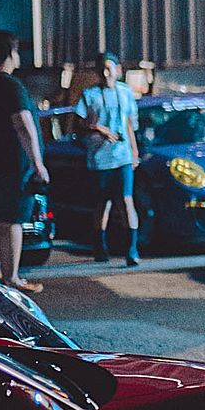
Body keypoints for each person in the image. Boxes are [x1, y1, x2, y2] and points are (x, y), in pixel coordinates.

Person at [0, 30, 50, 294]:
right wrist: (37, 164)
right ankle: (12, 277)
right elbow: (23, 124)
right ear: (10, 53)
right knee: (13, 221)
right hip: (13, 166)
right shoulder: (11, 86)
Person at [76, 52, 141, 265]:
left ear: (117, 70)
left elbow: (129, 123)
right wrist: (97, 128)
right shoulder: (90, 95)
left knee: (126, 199)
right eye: (102, 69)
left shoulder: (125, 92)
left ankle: (131, 249)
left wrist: (134, 151)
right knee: (102, 202)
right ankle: (100, 246)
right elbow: (78, 124)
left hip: (122, 155)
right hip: (99, 157)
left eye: (109, 68)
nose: (106, 73)